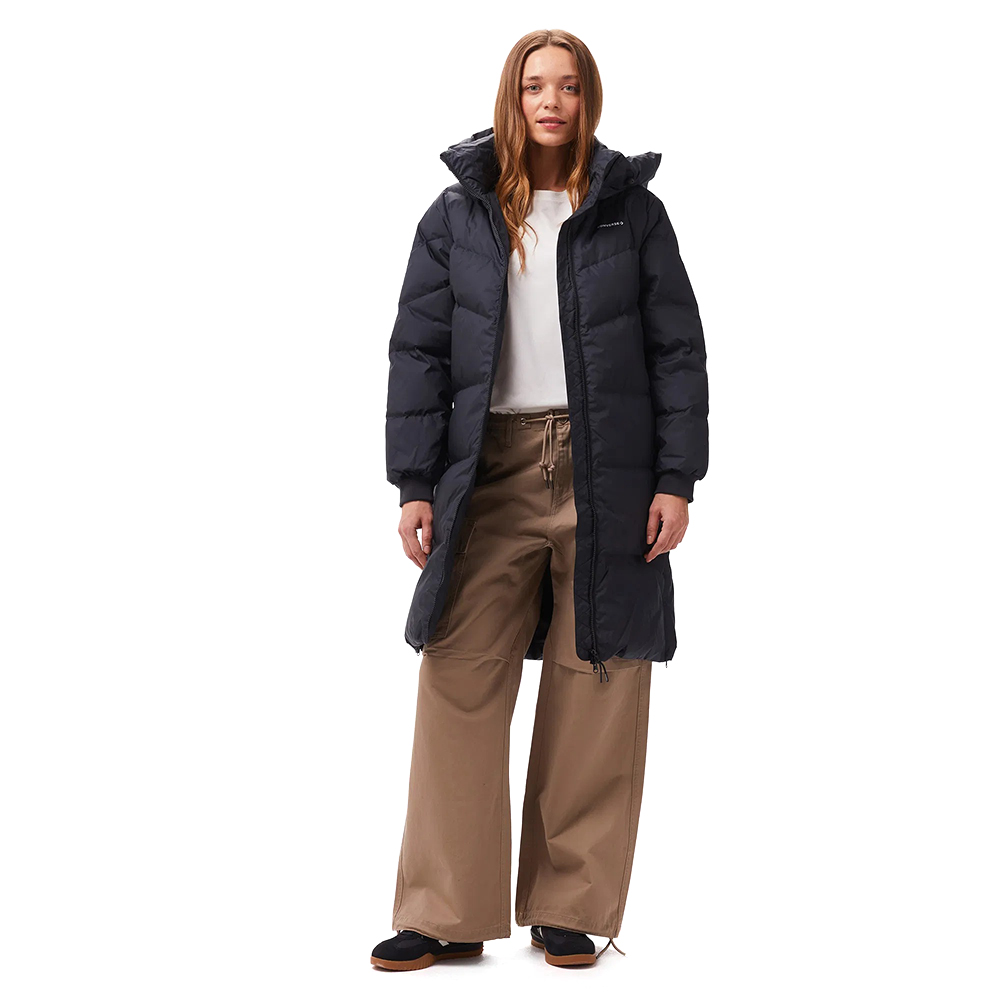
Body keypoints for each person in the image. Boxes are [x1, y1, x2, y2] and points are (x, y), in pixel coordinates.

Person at [373, 28, 709, 972]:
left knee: (597, 675)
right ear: (512, 98)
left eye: (567, 87)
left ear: (588, 99)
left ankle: (570, 906)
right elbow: (418, 352)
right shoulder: (458, 216)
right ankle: (444, 911)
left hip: (612, 469)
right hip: (489, 468)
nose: (551, 102)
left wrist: (676, 479)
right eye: (534, 87)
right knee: (457, 670)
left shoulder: (633, 216)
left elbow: (678, 351)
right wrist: (414, 483)